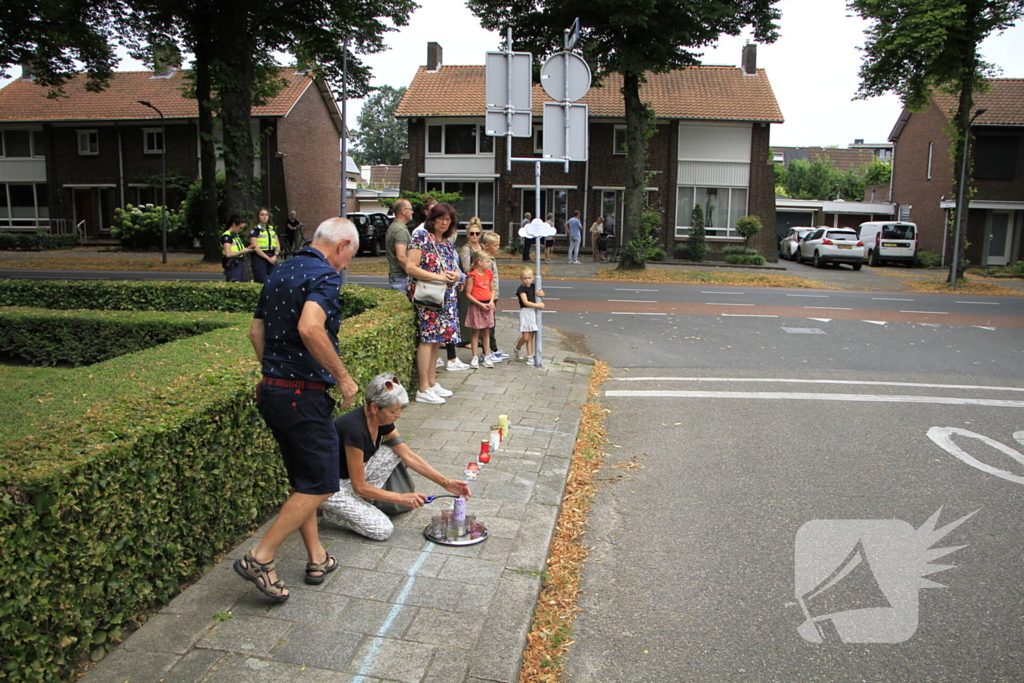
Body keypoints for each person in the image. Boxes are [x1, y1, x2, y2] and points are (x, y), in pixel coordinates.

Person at [235, 217, 360, 602]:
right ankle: (260, 556)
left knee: (304, 480)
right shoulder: (325, 275)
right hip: (303, 395)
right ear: (341, 246)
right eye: (349, 257)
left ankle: (317, 557)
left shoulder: (282, 269)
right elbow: (310, 328)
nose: (346, 266)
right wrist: (342, 377)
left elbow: (256, 333)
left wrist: (274, 374)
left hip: (273, 391)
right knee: (322, 482)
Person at [320, 374, 471, 540]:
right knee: (382, 530)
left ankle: (356, 504)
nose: (398, 415)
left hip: (350, 479)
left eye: (399, 409)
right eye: (394, 411)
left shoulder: (381, 420)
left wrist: (445, 482)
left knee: (395, 450)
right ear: (374, 408)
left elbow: (408, 455)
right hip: (328, 487)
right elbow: (359, 487)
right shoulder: (354, 430)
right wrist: (401, 498)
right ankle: (327, 509)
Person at [405, 203, 464, 404]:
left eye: (448, 220)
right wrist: (438, 277)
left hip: (446, 297)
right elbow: (410, 267)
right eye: (441, 219)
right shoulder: (421, 237)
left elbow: (455, 269)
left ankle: (431, 383)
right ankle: (423, 388)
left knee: (437, 339)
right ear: (433, 219)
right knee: (427, 339)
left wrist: (454, 275)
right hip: (429, 297)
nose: (444, 223)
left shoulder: (447, 243)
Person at [479, 230, 509, 364]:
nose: (498, 247)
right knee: (489, 323)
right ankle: (490, 349)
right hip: (488, 295)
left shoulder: (491, 259)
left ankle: (492, 348)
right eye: (495, 245)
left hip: (493, 294)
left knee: (492, 322)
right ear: (487, 245)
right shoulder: (486, 261)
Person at [465, 250, 496, 368]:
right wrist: (479, 304)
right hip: (477, 306)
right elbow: (468, 294)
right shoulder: (472, 276)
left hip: (487, 305)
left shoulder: (489, 274)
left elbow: (492, 289)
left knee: (486, 331)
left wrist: (491, 301)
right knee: (475, 332)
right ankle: (474, 357)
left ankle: (487, 356)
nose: (489, 263)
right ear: (479, 262)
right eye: (487, 261)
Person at [514, 267, 545, 363]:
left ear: (533, 278)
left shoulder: (534, 286)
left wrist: (541, 294)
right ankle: (517, 348)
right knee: (525, 337)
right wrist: (538, 305)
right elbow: (525, 302)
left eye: (529, 277)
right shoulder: (521, 289)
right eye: (525, 278)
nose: (527, 280)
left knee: (531, 337)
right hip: (526, 312)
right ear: (521, 278)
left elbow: (541, 294)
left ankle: (530, 356)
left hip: (534, 313)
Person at [385, 199, 414, 293]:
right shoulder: (400, 230)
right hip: (401, 278)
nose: (412, 212)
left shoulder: (394, 226)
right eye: (410, 209)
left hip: (397, 277)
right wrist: (415, 273)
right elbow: (401, 256)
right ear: (403, 211)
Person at [249, 207, 279, 284]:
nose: (264, 216)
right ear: (258, 217)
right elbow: (255, 247)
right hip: (260, 257)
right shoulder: (255, 230)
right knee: (261, 279)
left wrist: (275, 255)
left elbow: (277, 244)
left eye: (266, 215)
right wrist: (267, 258)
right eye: (262, 215)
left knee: (276, 278)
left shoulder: (271, 229)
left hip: (271, 255)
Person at [221, 214, 253, 282]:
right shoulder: (227, 236)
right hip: (233, 263)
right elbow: (228, 254)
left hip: (239, 262)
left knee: (240, 283)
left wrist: (247, 249)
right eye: (240, 228)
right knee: (235, 282)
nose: (241, 230)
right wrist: (242, 251)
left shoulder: (235, 235)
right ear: (234, 224)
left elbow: (237, 248)